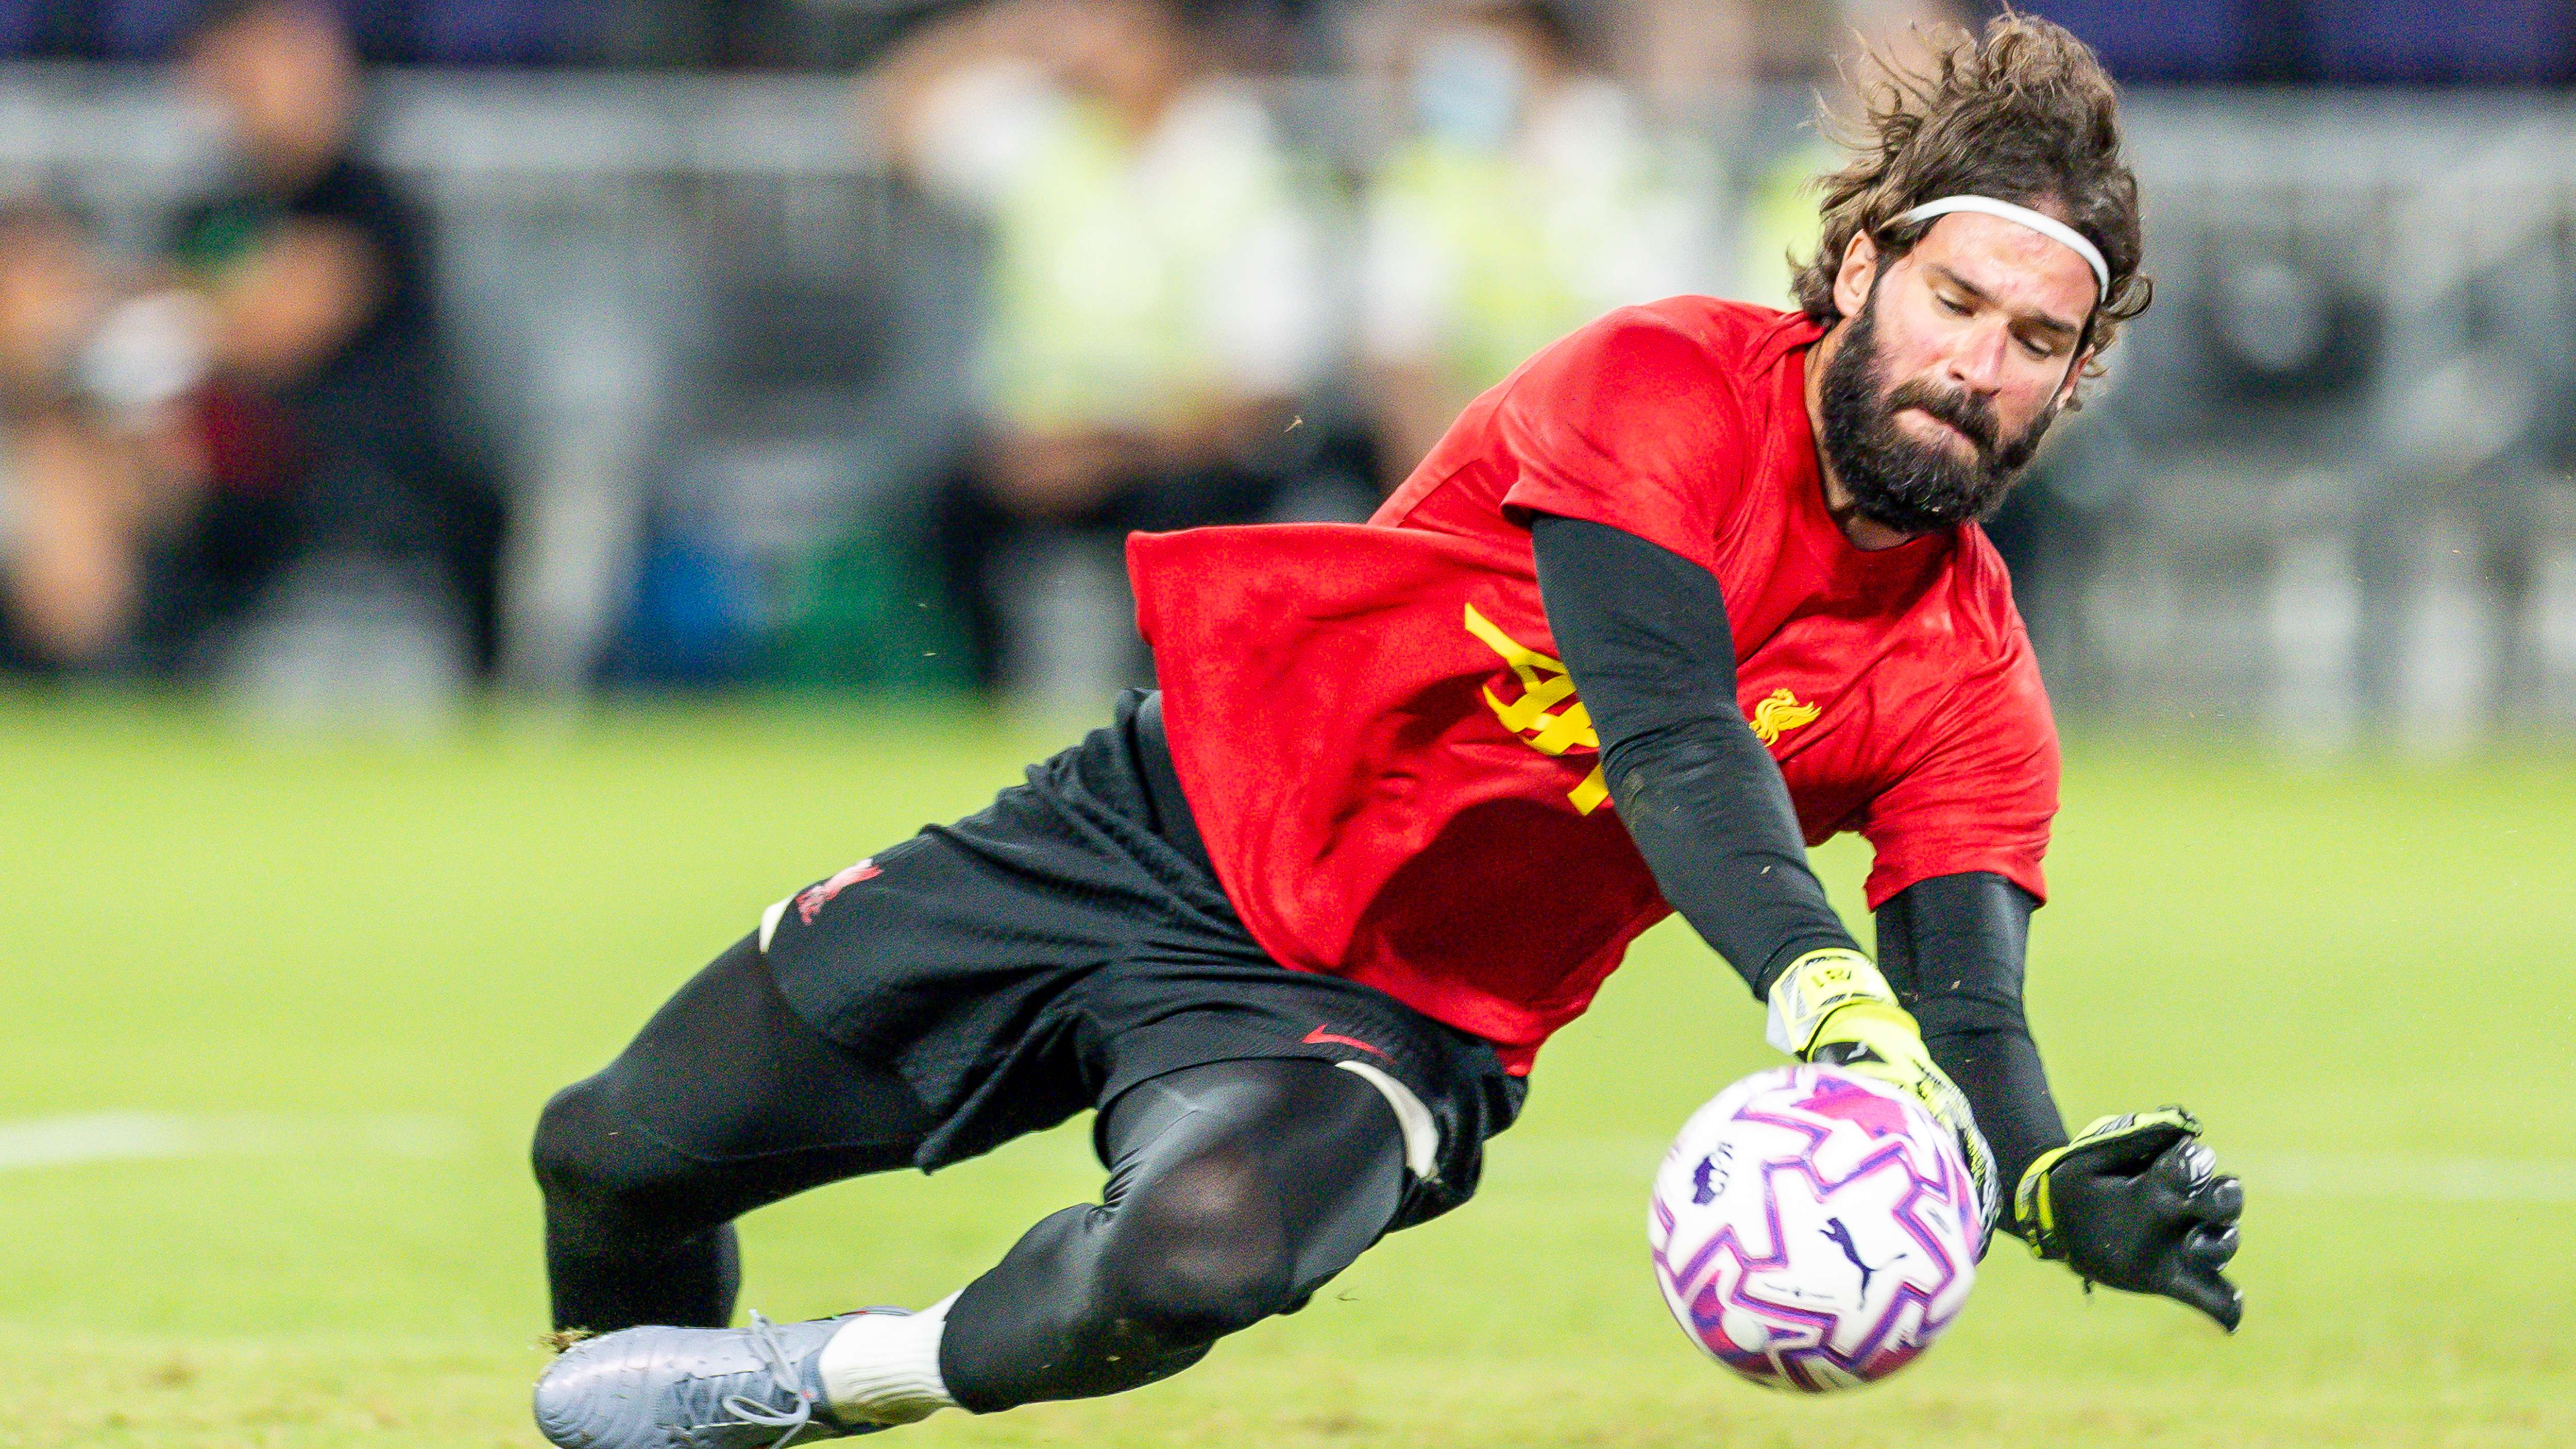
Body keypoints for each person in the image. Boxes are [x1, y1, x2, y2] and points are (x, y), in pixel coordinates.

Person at [528, 17, 2244, 1447]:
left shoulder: (1971, 684)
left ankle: (803, 1387)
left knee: (1192, 1258)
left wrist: (2040, 1182)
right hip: (1153, 825)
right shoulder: (1660, 385)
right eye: (1957, 302)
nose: (1981, 365)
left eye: (2039, 341)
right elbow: (1669, 732)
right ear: (1865, 268)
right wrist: (1816, 987)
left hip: (1399, 1014)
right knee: (610, 1159)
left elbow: (1965, 1006)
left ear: (2075, 382)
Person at [875, 0, 1329, 692]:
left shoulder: (1244, 164)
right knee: (945, 508)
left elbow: (1265, 391)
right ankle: (979, 709)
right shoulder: (1050, 138)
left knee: (1181, 523)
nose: (1085, 44)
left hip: (1178, 452)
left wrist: (1107, 450)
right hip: (1044, 445)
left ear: (1173, 41)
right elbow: (891, 117)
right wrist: (1007, 31)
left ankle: (1157, 722)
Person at [146, 0, 502, 677]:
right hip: (234, 506)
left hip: (364, 508)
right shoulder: (210, 211)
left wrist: (177, 313)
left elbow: (272, 324)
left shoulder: (367, 201)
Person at [1358, 0, 1709, 487]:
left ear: (1540, 41)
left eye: (1483, 28)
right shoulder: (1427, 172)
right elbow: (1401, 365)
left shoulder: (1635, 169)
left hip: (1602, 497)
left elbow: (1654, 368)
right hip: (1465, 489)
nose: (1456, 54)